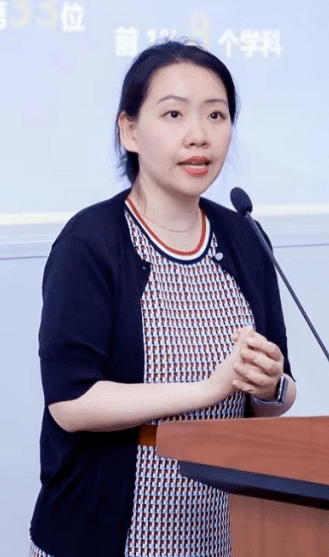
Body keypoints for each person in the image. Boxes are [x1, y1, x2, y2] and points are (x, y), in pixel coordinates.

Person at [29, 41, 296, 557]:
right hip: (104, 540)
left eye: (216, 115)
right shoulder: (91, 242)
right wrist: (208, 389)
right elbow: (71, 403)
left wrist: (270, 386)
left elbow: (273, 396)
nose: (199, 135)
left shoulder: (245, 238)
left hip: (217, 536)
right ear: (129, 130)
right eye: (174, 114)